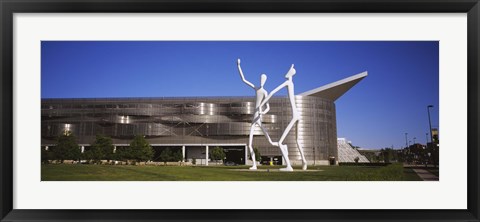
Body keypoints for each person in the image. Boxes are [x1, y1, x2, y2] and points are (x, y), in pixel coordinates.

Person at [261, 64, 307, 171]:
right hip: (298, 115)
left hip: (295, 116)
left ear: (290, 73)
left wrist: (263, 102)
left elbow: (272, 92)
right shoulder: (292, 83)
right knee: (297, 140)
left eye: (289, 71)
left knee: (280, 143)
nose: (286, 73)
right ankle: (304, 161)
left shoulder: (287, 82)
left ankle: (289, 166)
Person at [236, 59, 278, 170]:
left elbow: (268, 107)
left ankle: (281, 146)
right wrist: (239, 66)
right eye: (260, 79)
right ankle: (254, 164)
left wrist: (262, 112)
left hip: (258, 117)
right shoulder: (256, 88)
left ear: (266, 81)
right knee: (249, 144)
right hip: (254, 118)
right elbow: (244, 80)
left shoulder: (265, 92)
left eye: (263, 79)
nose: (261, 81)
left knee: (269, 140)